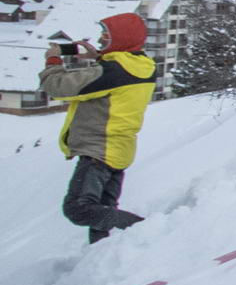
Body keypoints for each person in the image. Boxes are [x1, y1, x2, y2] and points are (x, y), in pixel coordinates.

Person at [40, 12, 155, 245]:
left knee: (79, 209)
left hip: (98, 150)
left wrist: (53, 60)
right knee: (102, 212)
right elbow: (116, 79)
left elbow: (57, 86)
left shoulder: (113, 71)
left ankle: (148, 229)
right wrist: (101, 57)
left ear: (121, 39)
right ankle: (100, 254)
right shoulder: (142, 65)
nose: (101, 39)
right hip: (118, 149)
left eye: (107, 35)